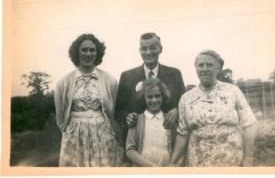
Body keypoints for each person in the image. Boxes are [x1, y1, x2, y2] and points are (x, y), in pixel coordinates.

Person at [169, 50, 257, 167]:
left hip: (231, 159)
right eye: (201, 65)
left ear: (218, 68)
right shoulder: (186, 98)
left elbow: (249, 125)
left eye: (209, 65)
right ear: (196, 68)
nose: (204, 69)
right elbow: (182, 134)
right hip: (198, 162)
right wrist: (173, 163)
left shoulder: (233, 91)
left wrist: (248, 158)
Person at [54, 33, 125, 167]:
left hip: (103, 136)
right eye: (84, 50)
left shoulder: (110, 81)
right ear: (77, 52)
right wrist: (71, 132)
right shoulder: (63, 83)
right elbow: (60, 117)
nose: (88, 54)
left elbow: (112, 113)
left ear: (97, 53)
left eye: (92, 50)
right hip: (74, 138)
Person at [115, 32, 185, 150]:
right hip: (138, 143)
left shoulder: (174, 74)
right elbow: (118, 110)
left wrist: (177, 111)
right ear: (140, 50)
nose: (148, 52)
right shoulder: (127, 76)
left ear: (160, 49)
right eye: (144, 48)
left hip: (167, 142)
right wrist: (126, 117)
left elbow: (185, 104)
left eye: (153, 47)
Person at [126, 78, 176, 167]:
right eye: (149, 96)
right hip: (142, 167)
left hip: (165, 168)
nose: (154, 100)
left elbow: (175, 146)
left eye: (157, 96)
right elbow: (130, 150)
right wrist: (151, 166)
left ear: (163, 96)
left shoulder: (169, 119)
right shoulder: (136, 120)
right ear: (143, 97)